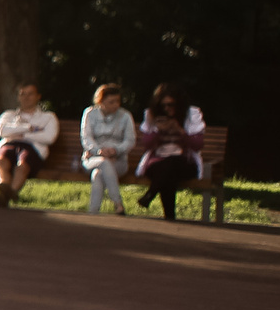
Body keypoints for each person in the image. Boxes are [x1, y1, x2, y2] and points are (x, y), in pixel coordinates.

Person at [136, 84, 206, 220]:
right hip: (157, 163)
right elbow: (146, 144)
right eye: (163, 106)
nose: (167, 109)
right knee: (167, 169)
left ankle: (151, 195)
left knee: (171, 164)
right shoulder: (152, 115)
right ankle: (169, 216)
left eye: (171, 105)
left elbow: (197, 145)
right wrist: (157, 130)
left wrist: (180, 131)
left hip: (184, 163)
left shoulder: (192, 115)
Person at [0, 82, 58, 207]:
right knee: (1, 161)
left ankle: (7, 195)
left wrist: (23, 134)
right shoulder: (8, 115)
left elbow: (49, 137)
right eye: (22, 94)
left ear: (38, 96)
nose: (26, 97)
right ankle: (5, 187)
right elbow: (1, 131)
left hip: (33, 148)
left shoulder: (48, 117)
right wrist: (28, 128)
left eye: (30, 94)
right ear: (18, 97)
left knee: (22, 166)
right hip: (9, 144)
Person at [79, 83, 135, 215]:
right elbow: (86, 138)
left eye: (117, 101)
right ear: (101, 101)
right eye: (111, 102)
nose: (116, 105)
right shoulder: (89, 113)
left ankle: (93, 213)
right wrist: (98, 151)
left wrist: (115, 150)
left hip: (118, 161)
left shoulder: (125, 116)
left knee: (98, 174)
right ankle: (118, 204)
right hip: (92, 158)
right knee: (103, 162)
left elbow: (130, 141)